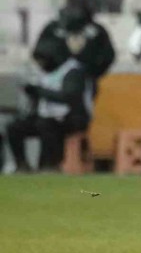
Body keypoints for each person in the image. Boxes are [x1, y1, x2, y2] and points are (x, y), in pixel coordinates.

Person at [8, 39, 93, 172]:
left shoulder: (73, 71)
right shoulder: (45, 72)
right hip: (47, 116)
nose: (41, 65)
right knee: (14, 127)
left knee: (46, 125)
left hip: (73, 117)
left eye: (43, 61)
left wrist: (40, 91)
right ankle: (22, 164)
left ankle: (51, 164)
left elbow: (69, 97)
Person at [34, 0, 115, 94]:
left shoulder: (97, 31)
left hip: (82, 81)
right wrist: (51, 68)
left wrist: (93, 72)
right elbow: (39, 53)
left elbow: (108, 56)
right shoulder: (53, 28)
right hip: (56, 79)